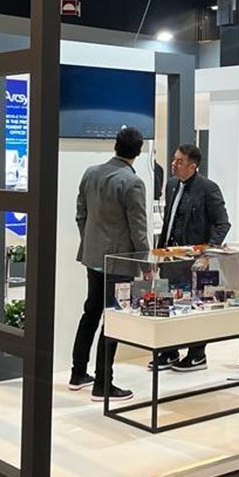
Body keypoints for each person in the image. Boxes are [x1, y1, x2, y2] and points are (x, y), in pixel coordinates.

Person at [70, 126, 150, 402]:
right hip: (119, 263)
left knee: (90, 313)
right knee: (113, 321)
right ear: (139, 151)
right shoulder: (132, 182)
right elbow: (138, 228)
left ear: (115, 145)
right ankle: (103, 383)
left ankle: (78, 373)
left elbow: (80, 214)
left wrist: (90, 242)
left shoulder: (91, 173)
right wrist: (145, 263)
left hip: (93, 259)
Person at [153, 143, 230, 372]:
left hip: (195, 261)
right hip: (170, 256)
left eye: (179, 161)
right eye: (174, 159)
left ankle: (197, 354)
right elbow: (168, 221)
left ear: (193, 166)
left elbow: (222, 223)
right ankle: (169, 351)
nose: (174, 164)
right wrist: (159, 252)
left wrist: (207, 253)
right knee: (167, 304)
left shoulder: (208, 188)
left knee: (195, 306)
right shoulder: (172, 185)